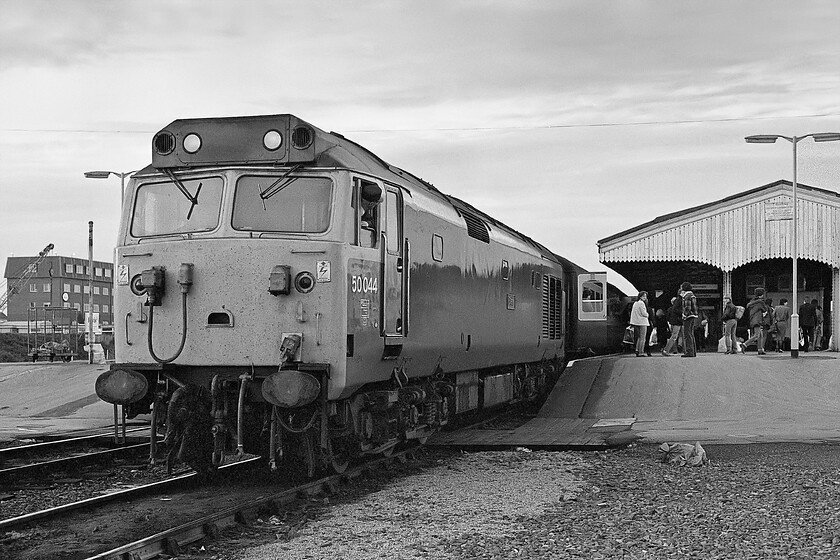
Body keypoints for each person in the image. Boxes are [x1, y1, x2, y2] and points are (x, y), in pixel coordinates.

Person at [744, 288, 769, 355]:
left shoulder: (752, 302)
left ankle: (760, 349)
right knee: (757, 335)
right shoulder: (760, 302)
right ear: (761, 294)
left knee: (760, 335)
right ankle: (745, 344)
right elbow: (765, 310)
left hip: (753, 319)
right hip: (758, 320)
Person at [630, 291, 651, 357]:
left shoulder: (635, 303)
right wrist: (648, 314)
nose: (645, 297)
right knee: (643, 338)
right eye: (644, 296)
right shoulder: (641, 303)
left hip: (636, 322)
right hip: (642, 322)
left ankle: (637, 350)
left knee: (639, 337)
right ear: (640, 296)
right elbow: (644, 313)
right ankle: (641, 352)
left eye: (645, 296)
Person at [681, 282, 698, 357]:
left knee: (687, 334)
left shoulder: (687, 296)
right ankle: (693, 351)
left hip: (688, 316)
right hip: (693, 315)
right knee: (691, 334)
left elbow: (687, 307)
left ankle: (689, 351)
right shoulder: (692, 295)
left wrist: (684, 314)